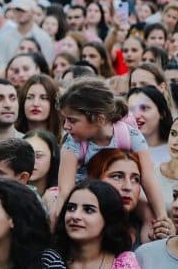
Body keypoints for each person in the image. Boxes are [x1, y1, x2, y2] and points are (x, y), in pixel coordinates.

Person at [56, 77, 166, 223]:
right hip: (86, 197)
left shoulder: (129, 134)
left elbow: (148, 177)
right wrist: (58, 221)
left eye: (72, 120)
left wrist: (162, 216)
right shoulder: (73, 143)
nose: (66, 126)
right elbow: (65, 191)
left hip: (120, 194)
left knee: (148, 213)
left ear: (99, 119)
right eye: (64, 120)